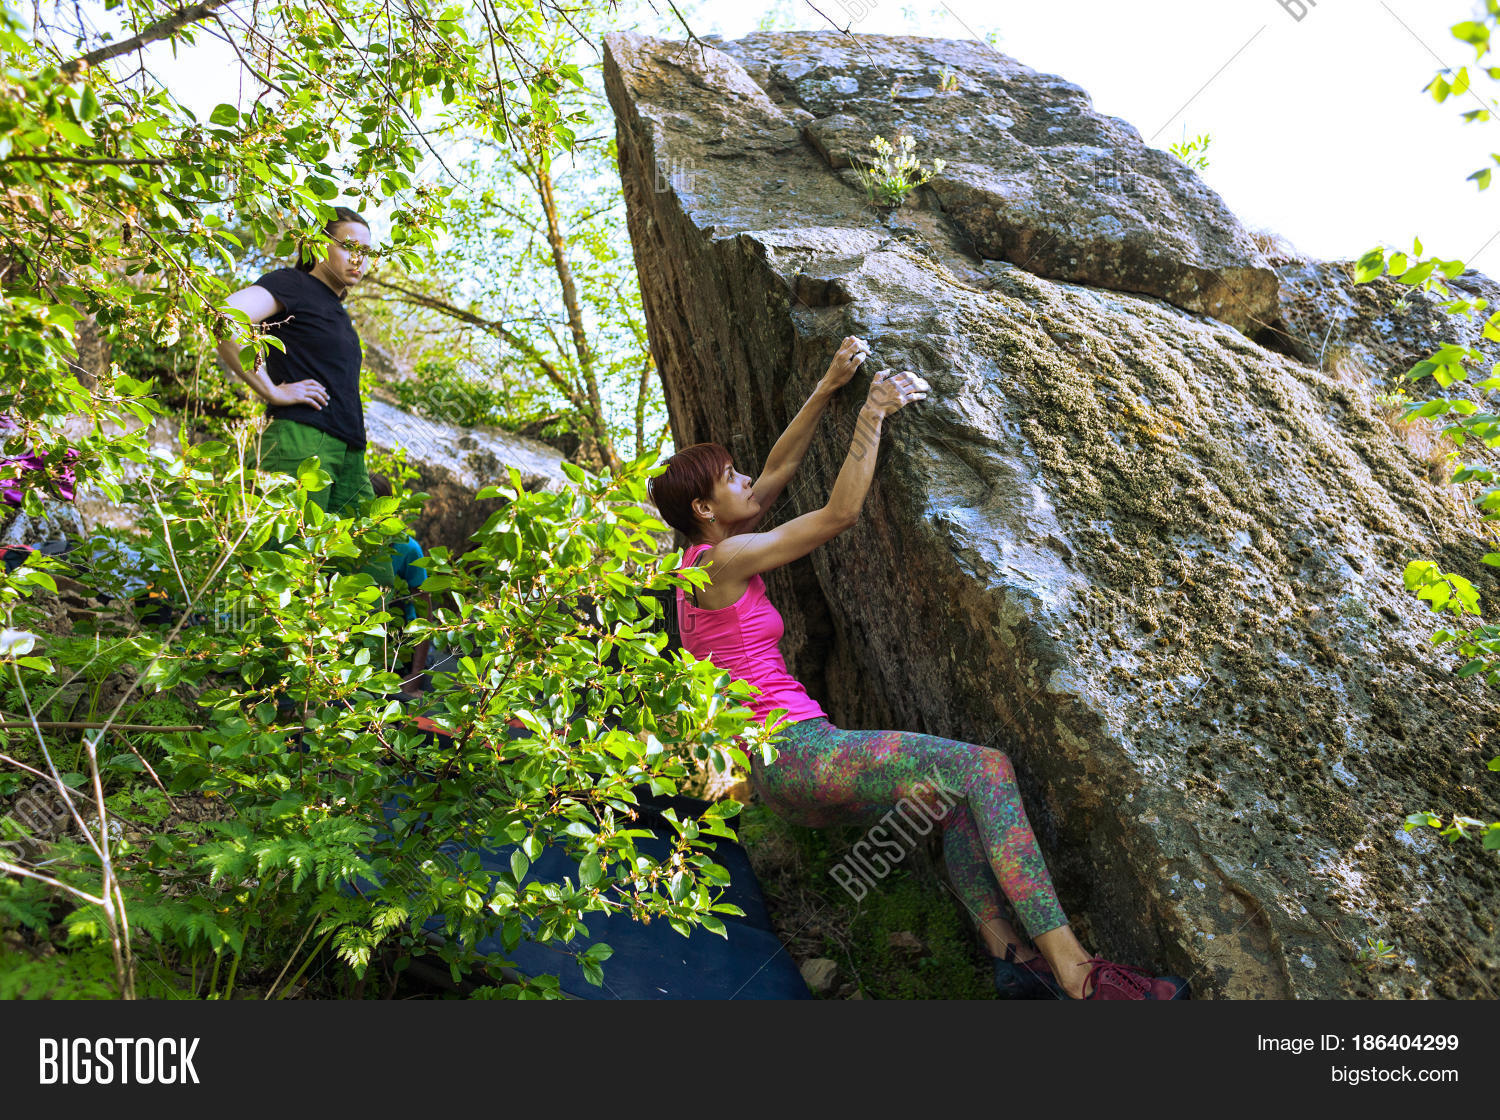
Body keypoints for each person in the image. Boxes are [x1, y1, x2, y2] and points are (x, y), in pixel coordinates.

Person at [647, 336, 1190, 1001]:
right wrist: (871, 412)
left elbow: (778, 469)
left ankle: (1011, 959)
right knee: (982, 769)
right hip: (800, 753)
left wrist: (826, 385)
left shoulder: (701, 563)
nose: (744, 482)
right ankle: (1080, 976)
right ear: (704, 509)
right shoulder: (720, 564)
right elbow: (839, 514)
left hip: (783, 777)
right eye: (729, 479)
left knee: (950, 803)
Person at [369, 472, 430, 697]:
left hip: (397, 643)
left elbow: (424, 612)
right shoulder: (346, 539)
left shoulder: (407, 549)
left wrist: (415, 675)